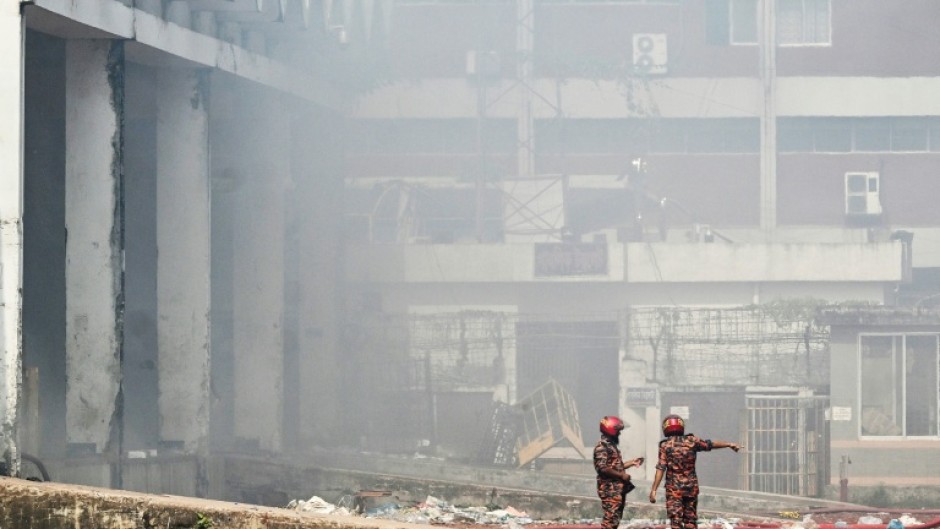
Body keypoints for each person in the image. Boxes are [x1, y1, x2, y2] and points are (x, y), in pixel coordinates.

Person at [648, 414, 740, 529]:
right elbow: (710, 444)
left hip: (674, 490)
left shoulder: (665, 446)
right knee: (690, 520)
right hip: (691, 488)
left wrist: (654, 489)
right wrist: (729, 444)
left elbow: (661, 468)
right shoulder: (692, 441)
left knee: (676, 521)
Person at [594, 416, 644, 529]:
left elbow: (615, 467)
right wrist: (622, 475)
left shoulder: (611, 446)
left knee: (615, 520)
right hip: (609, 489)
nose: (619, 434)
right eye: (618, 431)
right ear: (610, 430)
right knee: (610, 521)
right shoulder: (602, 447)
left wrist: (631, 463)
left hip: (617, 489)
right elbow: (602, 468)